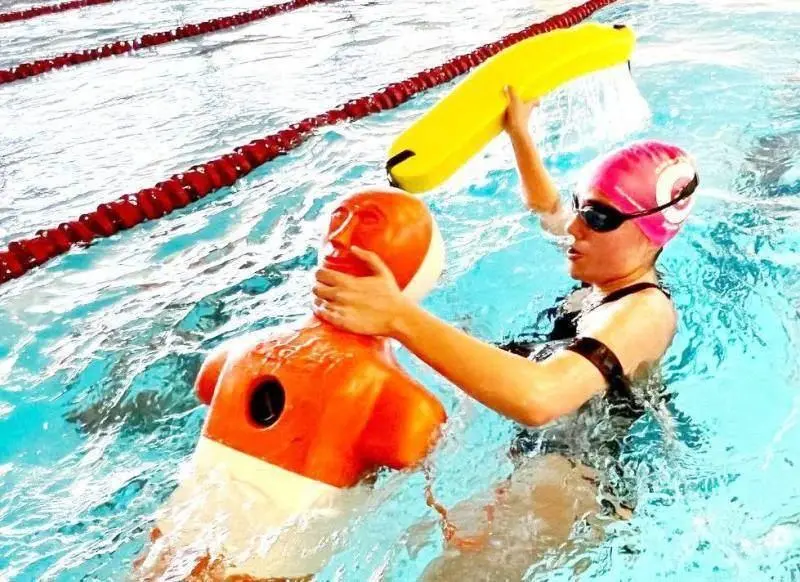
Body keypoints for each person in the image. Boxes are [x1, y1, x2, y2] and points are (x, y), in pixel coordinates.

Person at [312, 87, 699, 579]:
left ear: (653, 230)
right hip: (531, 454)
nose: (575, 227)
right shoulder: (603, 270)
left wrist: (400, 318)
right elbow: (546, 207)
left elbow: (541, 398)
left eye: (598, 217)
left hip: (575, 479)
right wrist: (520, 133)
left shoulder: (645, 311)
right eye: (581, 207)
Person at [134, 188, 447, 581]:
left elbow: (206, 385)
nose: (341, 237)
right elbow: (414, 447)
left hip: (169, 546)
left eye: (368, 222)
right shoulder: (399, 403)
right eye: (339, 217)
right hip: (264, 570)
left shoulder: (236, 353)